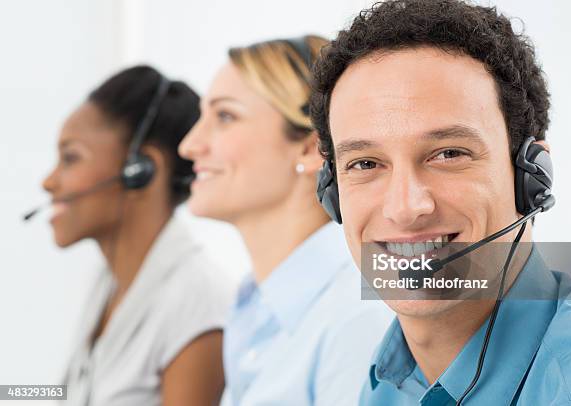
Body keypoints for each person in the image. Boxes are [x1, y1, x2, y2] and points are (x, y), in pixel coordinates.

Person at [309, 0, 571, 404]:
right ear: (333, 192)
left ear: (531, 177)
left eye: (449, 154)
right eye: (365, 163)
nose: (405, 207)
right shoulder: (391, 376)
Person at [178, 35, 392, 405]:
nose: (190, 145)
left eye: (225, 116)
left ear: (311, 148)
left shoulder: (357, 319)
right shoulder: (255, 306)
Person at [42, 65, 236, 406]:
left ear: (140, 170)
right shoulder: (108, 284)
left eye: (70, 158)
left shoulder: (197, 302)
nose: (49, 182)